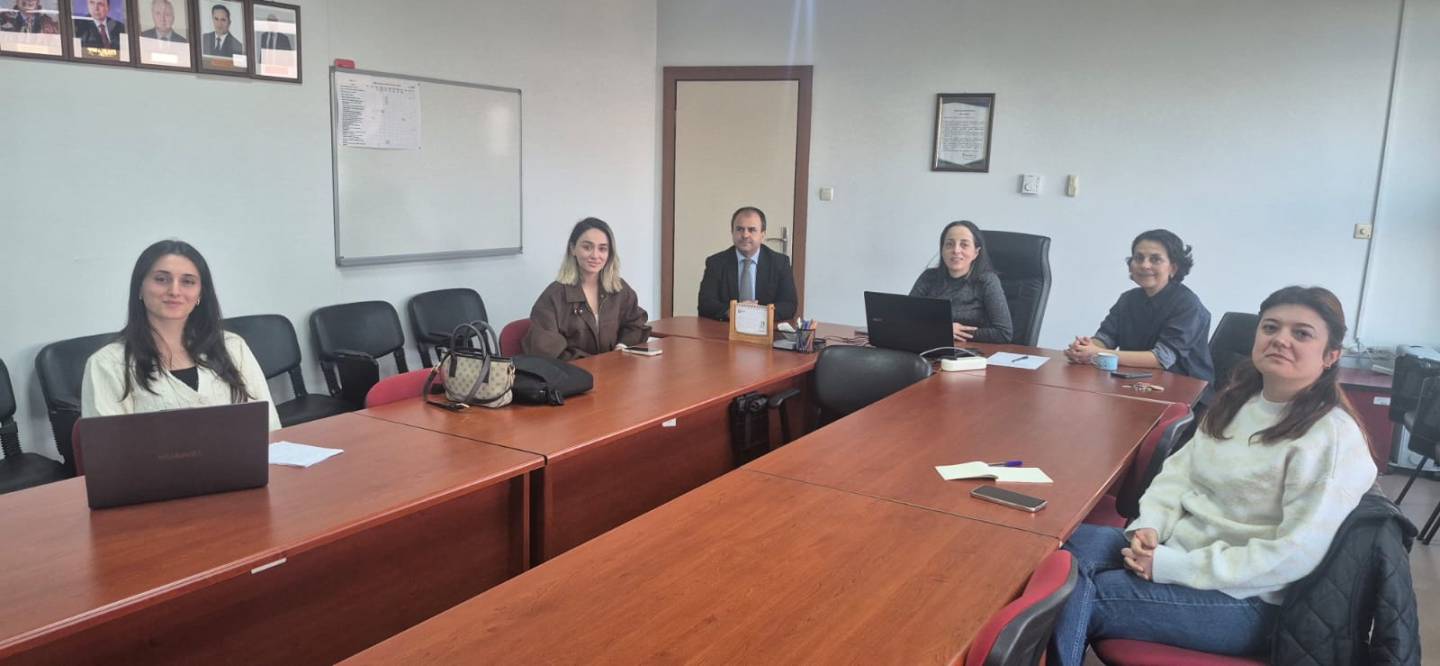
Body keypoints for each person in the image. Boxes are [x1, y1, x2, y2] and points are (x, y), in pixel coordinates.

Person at [1051, 286, 1376, 664]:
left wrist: (1170, 566)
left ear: (1331, 355)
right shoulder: (1239, 402)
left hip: (1248, 600)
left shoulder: (1330, 437)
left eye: (1301, 333)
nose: (1280, 340)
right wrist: (1150, 525)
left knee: (1073, 594)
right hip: (1180, 551)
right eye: (1270, 327)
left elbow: (1293, 553)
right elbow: (1178, 476)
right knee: (1056, 551)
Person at [82, 240, 281, 431]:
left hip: (242, 457)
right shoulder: (107, 364)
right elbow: (107, 449)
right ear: (140, 288)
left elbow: (268, 428)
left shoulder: (232, 347)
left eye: (187, 281)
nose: (174, 291)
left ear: (200, 294)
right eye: (161, 279)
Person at [1065, 229, 1214, 381]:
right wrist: (1083, 348)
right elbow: (1106, 338)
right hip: (1137, 381)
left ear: (1173, 268)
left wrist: (1095, 353)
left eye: (1155, 259)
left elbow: (1161, 358)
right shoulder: (1128, 299)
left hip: (1185, 386)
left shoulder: (1188, 305)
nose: (1144, 265)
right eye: (1139, 258)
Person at [523, 217, 650, 360]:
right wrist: (593, 364)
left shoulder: (619, 289)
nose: (595, 255)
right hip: (573, 372)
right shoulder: (554, 296)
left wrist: (622, 346)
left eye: (602, 249)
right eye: (587, 247)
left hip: (615, 369)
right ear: (573, 249)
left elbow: (635, 324)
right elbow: (545, 349)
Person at [907, 220, 1013, 343]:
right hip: (929, 346)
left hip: (970, 351)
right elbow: (906, 319)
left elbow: (1003, 333)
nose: (956, 250)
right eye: (949, 244)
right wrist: (941, 329)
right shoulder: (929, 277)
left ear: (976, 252)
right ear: (942, 250)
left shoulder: (987, 281)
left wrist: (947, 332)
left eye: (964, 245)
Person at [697, 206, 798, 322]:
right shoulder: (716, 263)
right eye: (739, 229)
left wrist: (757, 314)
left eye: (752, 230)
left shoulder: (780, 263)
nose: (745, 235)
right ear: (732, 232)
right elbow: (705, 304)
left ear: (762, 235)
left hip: (765, 327)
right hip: (727, 328)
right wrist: (734, 312)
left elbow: (789, 304)